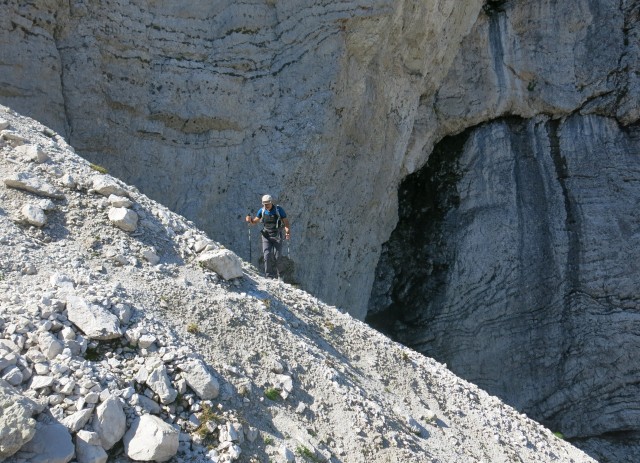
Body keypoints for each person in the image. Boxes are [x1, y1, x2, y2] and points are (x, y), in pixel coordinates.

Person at [246, 194, 290, 279]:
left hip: (277, 235)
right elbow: (255, 221)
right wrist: (250, 220)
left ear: (271, 202)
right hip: (266, 235)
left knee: (277, 256)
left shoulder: (278, 210)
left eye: (267, 204)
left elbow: (286, 222)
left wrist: (287, 232)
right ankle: (268, 276)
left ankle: (280, 276)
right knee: (266, 255)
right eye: (264, 204)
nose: (266, 206)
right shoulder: (262, 211)